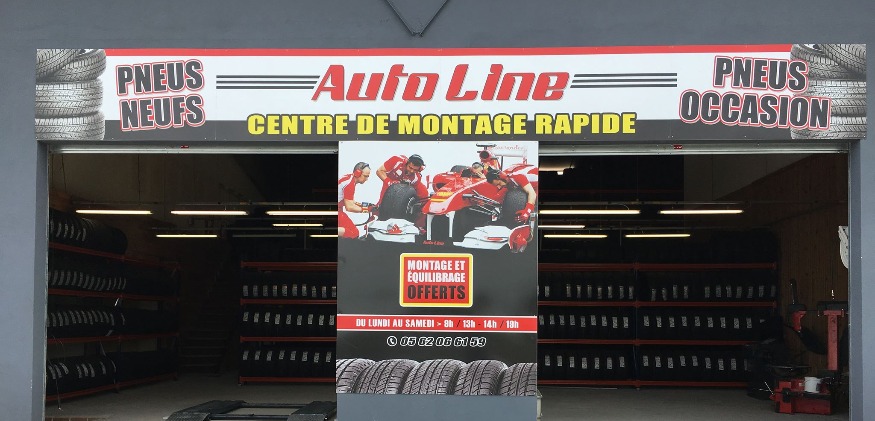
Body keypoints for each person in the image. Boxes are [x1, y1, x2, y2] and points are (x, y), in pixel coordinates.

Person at [337, 162, 372, 238]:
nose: (367, 179)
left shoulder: (349, 179)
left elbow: (351, 201)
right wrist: (367, 210)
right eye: (365, 176)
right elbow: (349, 207)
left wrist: (367, 206)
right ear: (357, 173)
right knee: (354, 233)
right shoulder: (349, 184)